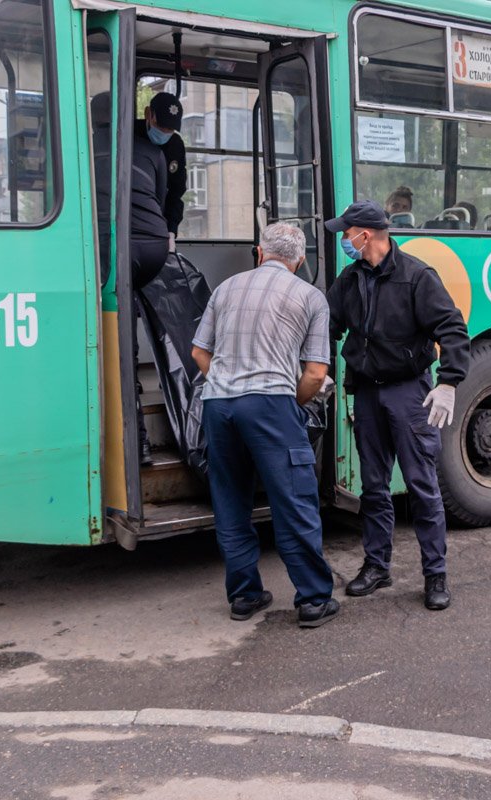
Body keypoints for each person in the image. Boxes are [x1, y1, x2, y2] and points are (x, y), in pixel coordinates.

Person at [190, 222, 339, 628]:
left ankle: (244, 596)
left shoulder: (226, 288)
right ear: (301, 260)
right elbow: (315, 373)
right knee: (294, 501)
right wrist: (289, 403)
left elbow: (199, 352)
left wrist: (227, 383)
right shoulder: (310, 296)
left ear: (259, 252)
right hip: (271, 404)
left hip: (219, 406)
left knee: (231, 502)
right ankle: (313, 600)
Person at [325, 200, 470, 611]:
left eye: (347, 233)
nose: (344, 240)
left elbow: (452, 329)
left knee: (421, 485)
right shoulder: (350, 279)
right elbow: (328, 324)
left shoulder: (416, 277)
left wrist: (449, 382)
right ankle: (377, 566)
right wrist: (319, 368)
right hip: (367, 392)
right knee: (373, 486)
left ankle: (435, 574)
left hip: (409, 393)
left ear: (365, 235)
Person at [93, 92, 170, 466]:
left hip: (117, 244)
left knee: (116, 334)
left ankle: (136, 443)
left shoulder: (84, 147)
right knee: (126, 318)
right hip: (154, 245)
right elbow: (161, 198)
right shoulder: (151, 150)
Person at [145, 92, 187, 247]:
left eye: (170, 129)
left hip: (159, 219)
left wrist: (171, 231)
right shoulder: (130, 135)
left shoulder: (175, 145)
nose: (164, 132)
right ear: (148, 114)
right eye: (161, 126)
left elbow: (176, 192)